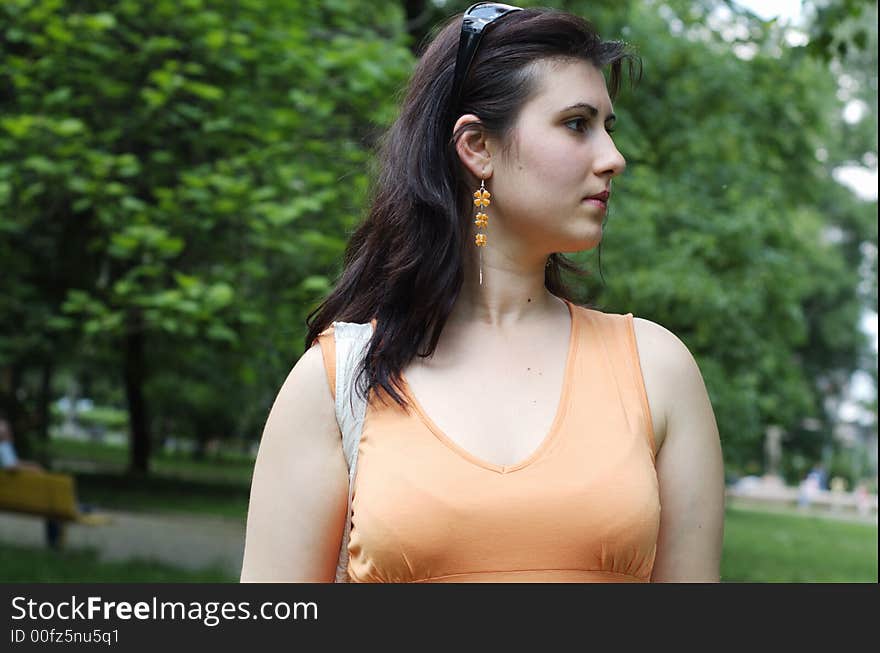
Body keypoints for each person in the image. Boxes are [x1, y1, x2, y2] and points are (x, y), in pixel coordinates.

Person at [241, 3, 725, 583]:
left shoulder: (658, 369)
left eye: (607, 128)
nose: (613, 158)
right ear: (477, 147)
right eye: (577, 124)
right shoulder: (337, 380)